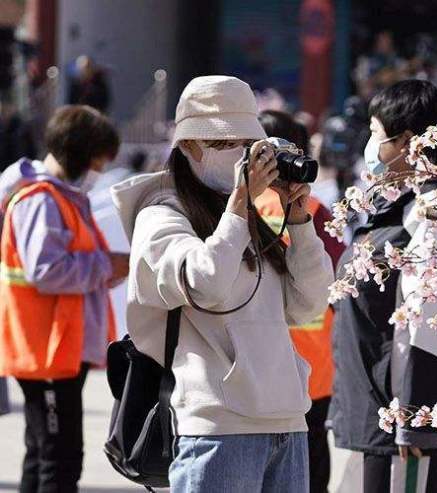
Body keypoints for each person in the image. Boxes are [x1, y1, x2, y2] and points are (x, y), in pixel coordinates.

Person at [111, 76, 333, 492]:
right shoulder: (161, 216)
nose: (235, 154)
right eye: (220, 142)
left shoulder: (248, 218)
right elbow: (204, 284)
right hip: (217, 426)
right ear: (188, 146)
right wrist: (236, 209)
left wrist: (300, 222)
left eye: (244, 144)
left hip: (287, 420)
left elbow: (309, 305)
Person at [330, 80, 437, 492]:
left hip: (408, 429)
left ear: (408, 142)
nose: (370, 145)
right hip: (382, 418)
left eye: (377, 134)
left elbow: (436, 324)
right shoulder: (404, 207)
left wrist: (418, 419)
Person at [0, 105, 127, 493]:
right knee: (59, 459)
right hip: (48, 350)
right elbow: (47, 270)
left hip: (56, 349)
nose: (99, 173)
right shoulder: (43, 200)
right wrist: (108, 265)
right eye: (97, 162)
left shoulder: (59, 197)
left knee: (43, 453)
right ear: (78, 155)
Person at [256, 110, 345, 493]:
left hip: (260, 362)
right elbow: (341, 274)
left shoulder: (238, 206)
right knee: (310, 462)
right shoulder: (314, 211)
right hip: (313, 366)